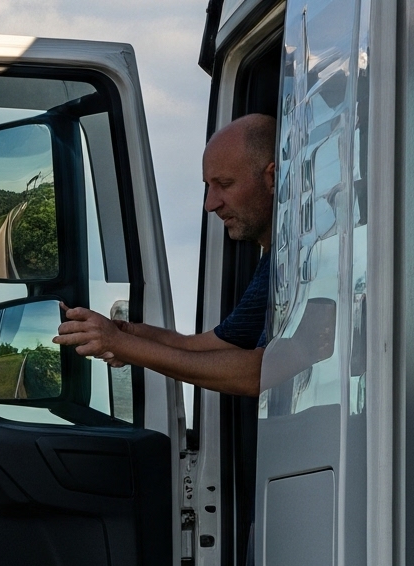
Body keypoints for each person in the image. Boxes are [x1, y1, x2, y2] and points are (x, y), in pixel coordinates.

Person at [53, 112, 279, 396]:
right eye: (208, 186)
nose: (210, 204)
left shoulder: (314, 264)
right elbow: (200, 346)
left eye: (225, 184)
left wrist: (119, 344)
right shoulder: (275, 263)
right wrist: (126, 334)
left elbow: (260, 374)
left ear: (272, 177)